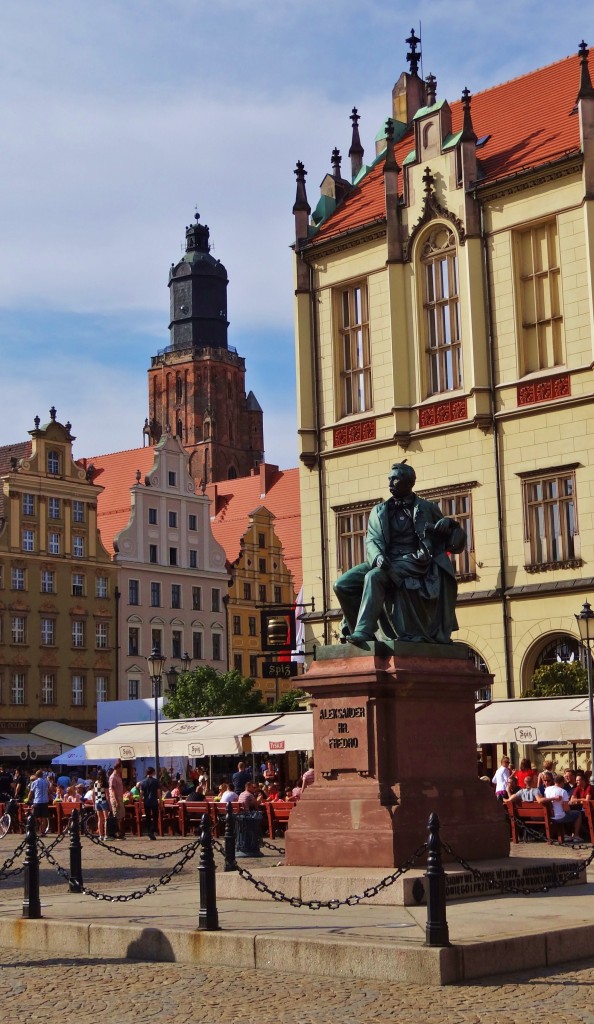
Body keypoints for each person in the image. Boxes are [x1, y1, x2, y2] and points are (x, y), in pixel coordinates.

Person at [333, 461, 466, 645]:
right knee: (342, 584)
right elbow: (371, 540)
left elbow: (455, 545)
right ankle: (362, 632)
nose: (390, 483)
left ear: (409, 482)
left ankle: (363, 632)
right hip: (384, 559)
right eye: (389, 479)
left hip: (414, 560)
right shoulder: (379, 510)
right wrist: (378, 557)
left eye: (395, 479)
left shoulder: (427, 508)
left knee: (374, 577)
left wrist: (451, 524)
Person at [544, 773, 582, 842]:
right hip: (559, 817)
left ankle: (564, 834)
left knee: (567, 814)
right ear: (562, 782)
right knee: (577, 814)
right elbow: (566, 809)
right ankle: (576, 836)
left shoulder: (547, 789)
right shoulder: (563, 791)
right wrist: (569, 810)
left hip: (549, 816)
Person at [138, 766, 160, 840]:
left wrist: (140, 804)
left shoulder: (143, 782)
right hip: (154, 802)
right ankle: (153, 830)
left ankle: (149, 832)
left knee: (148, 818)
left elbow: (141, 794)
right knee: (155, 817)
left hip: (147, 802)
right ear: (152, 772)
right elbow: (159, 793)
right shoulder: (156, 781)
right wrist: (161, 802)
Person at [27, 770, 50, 835]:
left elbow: (31, 792)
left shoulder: (34, 782)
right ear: (42, 775)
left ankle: (34, 831)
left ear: (36, 775)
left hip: (37, 801)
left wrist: (28, 799)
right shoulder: (46, 782)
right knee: (44, 818)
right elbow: (49, 790)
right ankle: (43, 832)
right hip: (45, 801)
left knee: (34, 817)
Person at [108, 761, 126, 840]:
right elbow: (113, 790)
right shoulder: (113, 777)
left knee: (121, 815)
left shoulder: (118, 776)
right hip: (116, 798)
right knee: (117, 816)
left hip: (120, 798)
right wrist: (116, 801)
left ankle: (121, 833)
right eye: (121, 767)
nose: (122, 769)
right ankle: (117, 833)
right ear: (118, 768)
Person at [93, 768, 110, 841]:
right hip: (103, 801)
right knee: (106, 819)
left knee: (100, 819)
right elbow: (107, 795)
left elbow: (93, 794)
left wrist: (94, 803)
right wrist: (109, 804)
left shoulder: (95, 783)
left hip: (97, 801)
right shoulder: (105, 783)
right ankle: (106, 835)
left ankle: (100, 835)